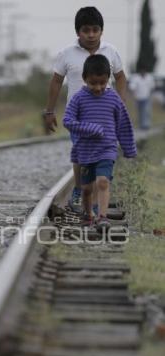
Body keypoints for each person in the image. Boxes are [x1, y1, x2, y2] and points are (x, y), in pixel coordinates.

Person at [43, 6, 127, 213]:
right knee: (82, 156)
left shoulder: (111, 52)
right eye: (86, 30)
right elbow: (56, 81)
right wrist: (49, 111)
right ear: (78, 32)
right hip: (79, 116)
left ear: (101, 31)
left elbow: (121, 78)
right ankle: (80, 191)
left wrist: (121, 106)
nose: (91, 35)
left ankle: (98, 202)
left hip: (106, 115)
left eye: (95, 30)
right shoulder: (67, 54)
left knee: (105, 155)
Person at [63, 54, 137, 231]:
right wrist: (89, 128)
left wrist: (129, 149)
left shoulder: (114, 99)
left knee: (103, 181)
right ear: (84, 79)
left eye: (102, 83)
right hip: (86, 151)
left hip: (107, 149)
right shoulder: (78, 98)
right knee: (87, 189)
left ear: (108, 79)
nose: (98, 87)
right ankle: (88, 215)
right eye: (93, 83)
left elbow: (124, 125)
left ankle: (102, 217)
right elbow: (68, 120)